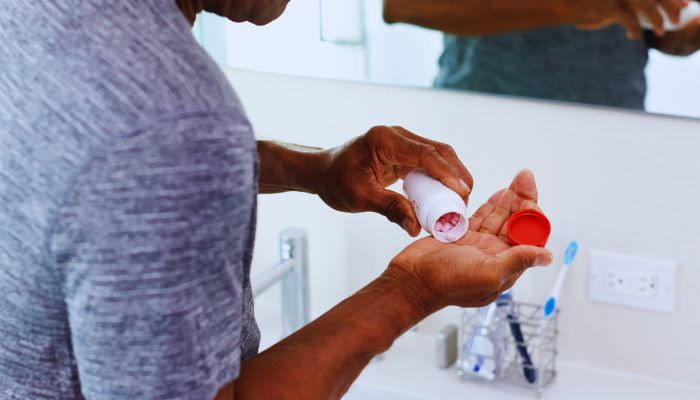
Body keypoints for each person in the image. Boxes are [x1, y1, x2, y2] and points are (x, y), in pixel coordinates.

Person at [0, 1, 552, 399]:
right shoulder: (169, 121)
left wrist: (316, 169)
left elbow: (94, 165)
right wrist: (409, 290)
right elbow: (156, 149)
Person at [383, 0, 700, 110]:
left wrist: (681, 27)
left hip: (614, 129)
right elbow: (402, 6)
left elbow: (664, 33)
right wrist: (572, 7)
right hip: (480, 118)